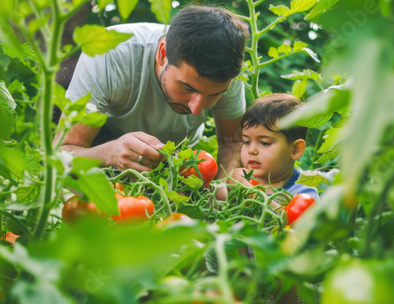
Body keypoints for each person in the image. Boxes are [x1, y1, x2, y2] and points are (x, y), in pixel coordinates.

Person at [54, 5, 249, 178]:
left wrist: (221, 190)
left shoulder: (229, 72)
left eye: (214, 95)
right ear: (163, 54)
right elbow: (62, 152)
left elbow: (231, 141)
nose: (196, 109)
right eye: (187, 87)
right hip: (103, 139)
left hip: (180, 160)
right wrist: (108, 153)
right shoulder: (109, 54)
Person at [227, 93, 319, 199]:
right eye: (246, 142)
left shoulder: (303, 192)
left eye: (265, 143)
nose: (251, 150)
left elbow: (296, 215)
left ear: (295, 149)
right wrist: (230, 186)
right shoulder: (242, 180)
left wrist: (256, 197)